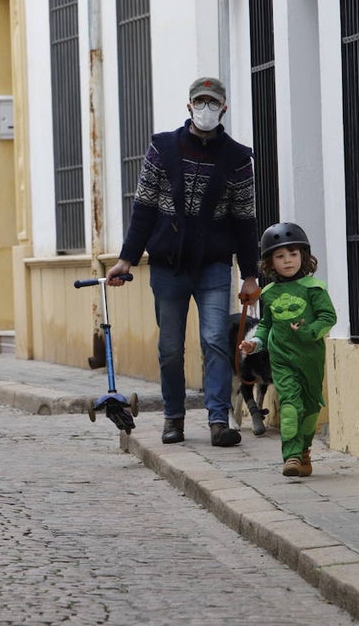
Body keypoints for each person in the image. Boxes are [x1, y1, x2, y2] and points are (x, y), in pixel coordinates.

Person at [106, 76, 260, 447]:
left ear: (223, 108)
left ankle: (218, 420)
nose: (206, 108)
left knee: (215, 341)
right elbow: (143, 207)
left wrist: (251, 275)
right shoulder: (163, 148)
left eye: (213, 103)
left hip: (213, 266)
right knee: (171, 347)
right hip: (168, 265)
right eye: (200, 102)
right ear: (189, 106)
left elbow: (245, 219)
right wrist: (127, 259)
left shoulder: (238, 158)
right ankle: (173, 418)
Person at [239, 222, 337, 477]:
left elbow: (328, 318)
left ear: (303, 256)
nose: (287, 261)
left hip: (310, 360)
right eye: (280, 256)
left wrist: (306, 332)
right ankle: (291, 456)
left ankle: (304, 451)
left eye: (293, 254)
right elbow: (265, 326)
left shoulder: (314, 289)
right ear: (270, 262)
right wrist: (255, 343)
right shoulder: (269, 293)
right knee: (291, 404)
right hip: (281, 360)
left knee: (310, 407)